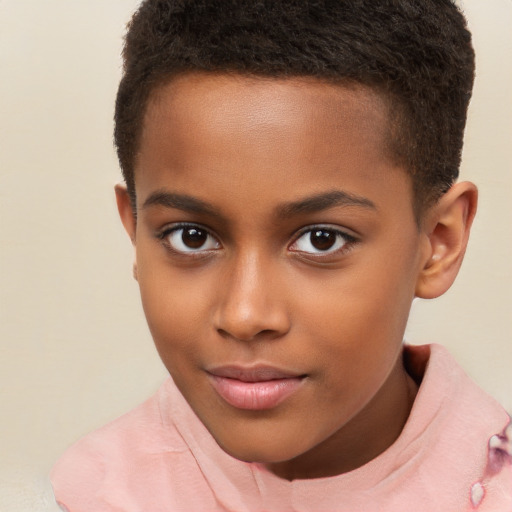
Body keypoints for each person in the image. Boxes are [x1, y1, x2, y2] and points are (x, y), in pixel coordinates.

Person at [50, 0, 512, 510]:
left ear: (439, 243)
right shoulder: (101, 489)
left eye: (321, 240)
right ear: (135, 230)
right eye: (192, 237)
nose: (245, 315)